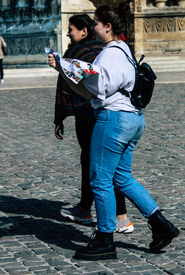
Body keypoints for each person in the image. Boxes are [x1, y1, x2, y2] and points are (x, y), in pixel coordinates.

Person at [48, 3, 180, 260]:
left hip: (113, 120)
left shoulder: (108, 55)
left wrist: (68, 68)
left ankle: (105, 238)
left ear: (107, 27)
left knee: (99, 179)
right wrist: (62, 70)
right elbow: (88, 93)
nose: (93, 27)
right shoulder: (124, 50)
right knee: (122, 178)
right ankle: (161, 224)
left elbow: (95, 90)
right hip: (133, 119)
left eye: (96, 23)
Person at [54, 14, 134, 233]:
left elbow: (79, 86)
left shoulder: (83, 53)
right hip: (116, 113)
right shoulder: (113, 49)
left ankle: (109, 219)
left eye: (71, 29)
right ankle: (117, 215)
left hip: (94, 113)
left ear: (84, 31)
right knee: (106, 165)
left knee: (97, 166)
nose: (68, 33)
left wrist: (62, 68)